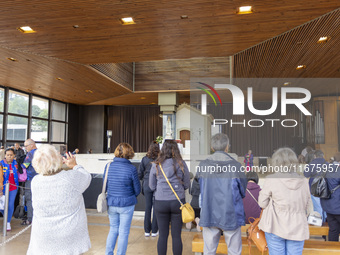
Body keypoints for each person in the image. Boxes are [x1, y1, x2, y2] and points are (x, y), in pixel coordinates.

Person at [27, 145, 91, 255]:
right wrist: (75, 166)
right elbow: (86, 177)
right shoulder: (71, 178)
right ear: (57, 160)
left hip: (43, 236)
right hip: (70, 237)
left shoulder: (35, 181)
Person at [196, 133, 247, 255]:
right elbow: (242, 191)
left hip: (209, 212)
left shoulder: (203, 165)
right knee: (234, 252)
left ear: (212, 148)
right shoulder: (236, 166)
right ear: (227, 147)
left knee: (209, 251)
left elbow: (199, 187)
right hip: (231, 214)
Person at [259, 147, 311, 255]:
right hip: (297, 226)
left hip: (275, 225)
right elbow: (308, 206)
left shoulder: (271, 179)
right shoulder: (303, 181)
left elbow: (262, 203)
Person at [149, 139, 190, 255]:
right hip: (178, 202)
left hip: (161, 202)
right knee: (176, 235)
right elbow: (187, 184)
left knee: (162, 235)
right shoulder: (181, 163)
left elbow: (151, 186)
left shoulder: (156, 164)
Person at [105, 143, 141, 255]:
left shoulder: (108, 166)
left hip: (112, 202)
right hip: (127, 204)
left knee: (113, 229)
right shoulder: (131, 168)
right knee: (123, 232)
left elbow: (105, 185)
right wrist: (131, 195)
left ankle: (108, 253)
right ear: (129, 153)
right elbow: (137, 189)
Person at [138, 141, 159, 237]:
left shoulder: (144, 159)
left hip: (146, 185)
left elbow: (139, 174)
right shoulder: (160, 160)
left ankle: (147, 231)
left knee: (147, 207)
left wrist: (145, 179)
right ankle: (154, 230)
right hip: (157, 185)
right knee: (156, 207)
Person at [320, 152, 340, 241]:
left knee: (333, 230)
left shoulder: (325, 169)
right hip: (338, 207)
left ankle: (333, 250)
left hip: (328, 207)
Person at [304, 150, 328, 222]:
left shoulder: (311, 164)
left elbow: (306, 174)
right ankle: (325, 222)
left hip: (314, 187)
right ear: (323, 156)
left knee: (318, 207)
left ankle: (319, 223)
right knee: (325, 207)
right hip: (325, 187)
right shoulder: (328, 164)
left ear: (315, 156)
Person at [0, 148, 19, 231]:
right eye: (8, 155)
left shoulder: (16, 163)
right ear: (5, 155)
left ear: (14, 155)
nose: (9, 156)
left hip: (13, 187)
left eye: (11, 155)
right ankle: (5, 218)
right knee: (2, 206)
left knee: (10, 205)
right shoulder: (1, 164)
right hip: (3, 188)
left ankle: (7, 222)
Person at [22, 138, 37, 225]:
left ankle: (30, 218)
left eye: (26, 146)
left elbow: (25, 165)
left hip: (30, 179)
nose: (25, 148)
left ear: (32, 145)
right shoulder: (40, 152)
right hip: (40, 178)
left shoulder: (30, 153)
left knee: (29, 198)